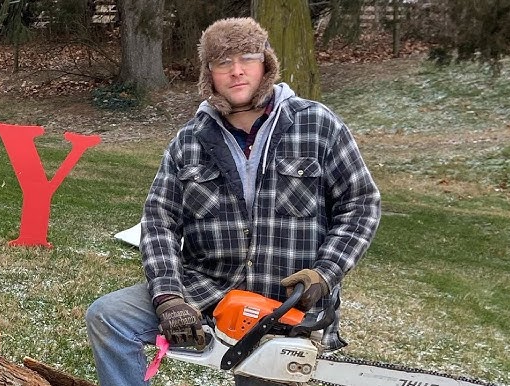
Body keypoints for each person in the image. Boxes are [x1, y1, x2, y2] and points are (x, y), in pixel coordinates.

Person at [85, 17, 381, 386]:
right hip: (207, 289)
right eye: (223, 62)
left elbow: (361, 205)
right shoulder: (190, 141)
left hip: (286, 301)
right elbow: (159, 222)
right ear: (209, 73)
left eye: (247, 58)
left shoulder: (316, 124)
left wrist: (326, 273)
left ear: (266, 64)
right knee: (109, 316)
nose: (236, 71)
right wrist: (168, 297)